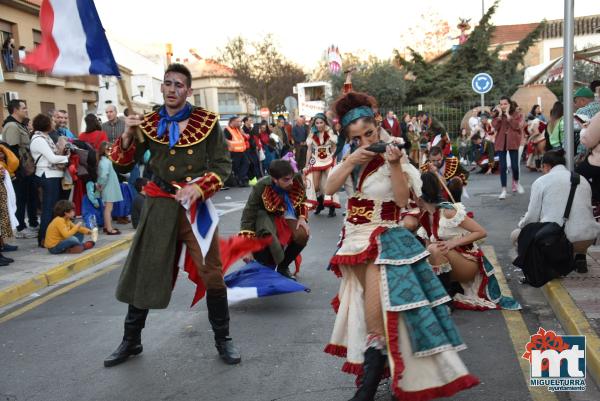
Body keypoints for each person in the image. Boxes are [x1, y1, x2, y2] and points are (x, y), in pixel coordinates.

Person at [324, 91, 478, 400]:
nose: (366, 140)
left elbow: (399, 199)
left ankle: (371, 388)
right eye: (358, 137)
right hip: (356, 240)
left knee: (384, 310)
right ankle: (384, 378)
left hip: (386, 240)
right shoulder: (354, 157)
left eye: (369, 133)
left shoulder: (397, 153)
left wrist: (394, 163)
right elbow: (328, 188)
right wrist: (353, 157)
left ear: (377, 123)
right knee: (377, 311)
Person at [104, 63, 240, 368]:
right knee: (146, 272)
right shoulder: (148, 122)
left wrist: (200, 188)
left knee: (212, 273)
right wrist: (127, 134)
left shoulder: (207, 122)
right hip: (159, 205)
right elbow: (124, 166)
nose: (172, 90)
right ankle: (131, 340)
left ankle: (223, 338)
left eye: (179, 85)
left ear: (188, 91)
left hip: (196, 208)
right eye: (167, 84)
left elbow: (222, 166)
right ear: (162, 88)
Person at [418, 172, 521, 310]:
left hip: (469, 265)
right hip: (453, 264)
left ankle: (446, 301)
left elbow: (481, 232)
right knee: (426, 253)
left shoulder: (448, 211)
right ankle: (448, 291)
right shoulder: (424, 215)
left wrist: (453, 243)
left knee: (434, 249)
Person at [512, 149, 600, 274]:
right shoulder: (582, 179)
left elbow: (532, 217)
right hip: (588, 238)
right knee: (576, 221)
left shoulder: (541, 182)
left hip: (559, 242)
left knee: (516, 235)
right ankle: (580, 257)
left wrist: (521, 224)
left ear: (546, 166)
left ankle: (542, 269)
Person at [239, 159, 309, 279]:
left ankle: (283, 267)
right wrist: (246, 248)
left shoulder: (296, 178)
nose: (291, 182)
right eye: (286, 180)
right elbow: (248, 215)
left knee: (303, 234)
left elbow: (302, 199)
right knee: (267, 237)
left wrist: (302, 218)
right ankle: (265, 267)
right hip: (266, 216)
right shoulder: (261, 186)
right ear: (274, 179)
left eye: (291, 178)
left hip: (287, 213)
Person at [30, 114, 69, 247]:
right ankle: (43, 238)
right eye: (51, 121)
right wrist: (67, 159)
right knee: (48, 209)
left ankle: (52, 236)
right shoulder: (38, 139)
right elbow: (52, 158)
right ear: (45, 124)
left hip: (54, 175)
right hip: (47, 175)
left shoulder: (46, 137)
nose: (54, 123)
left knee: (54, 209)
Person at [1, 99, 38, 239]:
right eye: (23, 108)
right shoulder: (11, 126)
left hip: (26, 168)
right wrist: (17, 171)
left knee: (29, 196)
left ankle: (30, 224)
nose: (26, 110)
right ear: (15, 110)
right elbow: (11, 150)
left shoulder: (19, 125)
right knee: (20, 198)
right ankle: (20, 227)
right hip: (19, 169)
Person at [305, 113, 340, 217]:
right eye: (317, 123)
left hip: (329, 159)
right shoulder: (312, 133)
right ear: (314, 124)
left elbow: (334, 148)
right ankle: (320, 205)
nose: (319, 125)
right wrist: (306, 164)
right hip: (316, 160)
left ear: (325, 122)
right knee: (315, 186)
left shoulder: (330, 132)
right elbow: (309, 150)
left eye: (321, 122)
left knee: (329, 184)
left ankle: (331, 208)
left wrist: (335, 160)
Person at [492, 96, 525, 199]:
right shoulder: (497, 115)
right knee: (502, 167)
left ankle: (516, 182)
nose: (503, 106)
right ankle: (504, 190)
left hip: (513, 142)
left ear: (509, 104)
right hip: (501, 142)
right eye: (501, 104)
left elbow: (517, 126)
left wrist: (508, 116)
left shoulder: (516, 114)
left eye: (505, 104)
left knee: (515, 166)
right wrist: (500, 116)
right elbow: (495, 127)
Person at [97, 141, 123, 235]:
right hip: (108, 187)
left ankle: (106, 226)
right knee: (108, 209)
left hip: (108, 187)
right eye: (109, 149)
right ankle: (109, 228)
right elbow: (103, 176)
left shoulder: (105, 161)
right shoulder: (105, 161)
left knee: (108, 208)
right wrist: (100, 186)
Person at [223, 116, 249, 187]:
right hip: (233, 152)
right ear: (232, 122)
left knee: (246, 163)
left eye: (240, 121)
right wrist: (230, 147)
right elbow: (225, 141)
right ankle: (240, 180)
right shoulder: (227, 130)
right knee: (236, 167)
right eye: (238, 121)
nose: (240, 123)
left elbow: (244, 138)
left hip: (241, 151)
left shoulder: (238, 129)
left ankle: (241, 179)